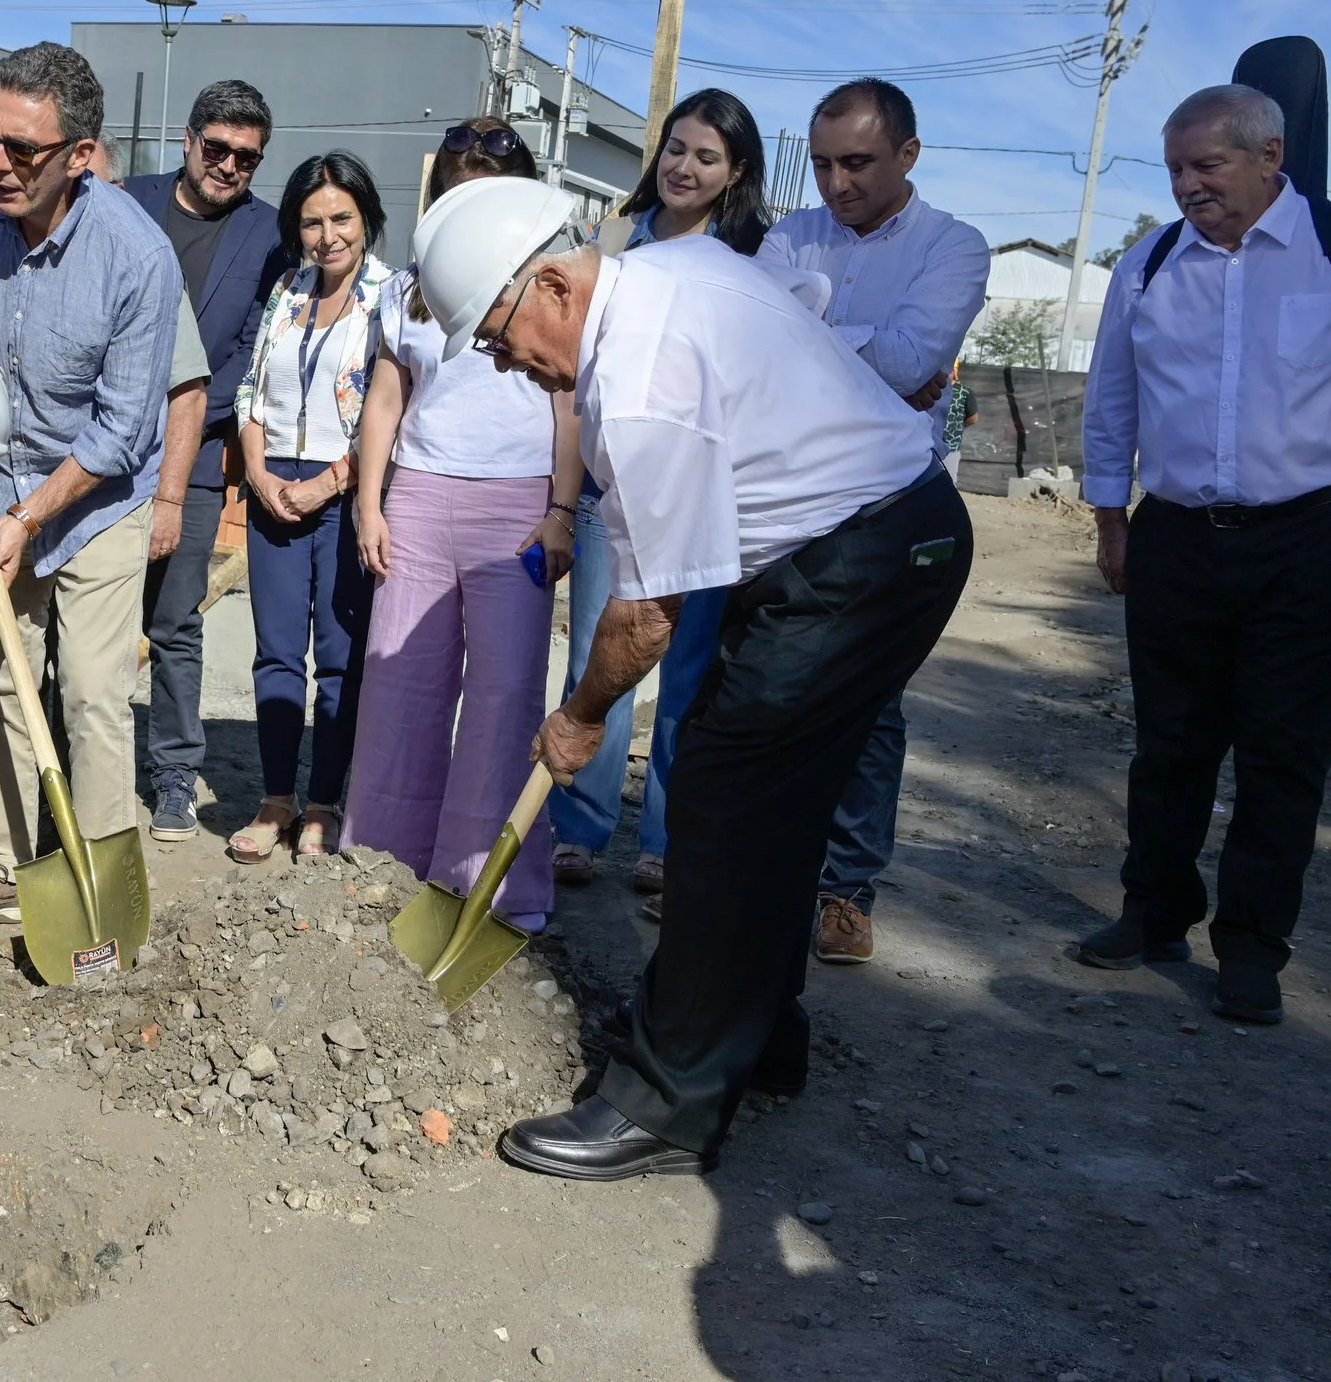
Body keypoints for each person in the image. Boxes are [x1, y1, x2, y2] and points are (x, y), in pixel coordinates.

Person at [406, 178, 969, 1183]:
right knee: (762, 802)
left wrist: (577, 721)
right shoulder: (669, 270)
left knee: (722, 800)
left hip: (863, 559)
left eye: (500, 338)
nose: (508, 364)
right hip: (867, 540)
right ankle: (751, 1035)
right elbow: (793, 312)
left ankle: (664, 1103)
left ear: (549, 283)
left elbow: (645, 613)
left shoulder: (636, 380)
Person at [1080, 84, 1331, 1025]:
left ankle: (1251, 949)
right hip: (1176, 535)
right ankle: (1153, 909)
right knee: (1170, 741)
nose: (1188, 186)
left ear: (1269, 156)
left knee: (1284, 750)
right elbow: (1110, 399)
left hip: (1316, 537)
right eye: (1174, 169)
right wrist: (1110, 520)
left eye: (1206, 165)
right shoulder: (1149, 264)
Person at [0, 41, 176, 932]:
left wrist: (30, 515)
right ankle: (7, 863)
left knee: (90, 694)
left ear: (81, 155)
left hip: (94, 503)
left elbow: (121, 434)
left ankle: (99, 887)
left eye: (26, 150)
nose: (0, 164)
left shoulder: (136, 258)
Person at [754, 77, 989, 966]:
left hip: (889, 505)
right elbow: (762, 353)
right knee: (767, 686)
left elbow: (911, 361)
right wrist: (869, 350)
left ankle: (844, 890)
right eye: (821, 163)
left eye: (856, 161)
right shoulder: (788, 235)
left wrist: (822, 338)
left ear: (908, 156)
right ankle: (768, 873)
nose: (835, 182)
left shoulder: (954, 247)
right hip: (786, 494)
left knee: (871, 704)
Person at [343, 124, 577, 920]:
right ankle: (378, 867)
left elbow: (569, 398)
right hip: (420, 494)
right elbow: (387, 393)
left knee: (504, 700)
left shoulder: (551, 288)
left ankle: (492, 887)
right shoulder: (406, 285)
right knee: (398, 687)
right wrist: (370, 499)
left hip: (518, 503)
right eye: (458, 183)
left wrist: (561, 509)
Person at [574, 89, 775, 909]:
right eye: (676, 148)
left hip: (703, 496)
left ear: (735, 174)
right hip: (610, 485)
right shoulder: (613, 240)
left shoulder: (753, 256)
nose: (684, 167)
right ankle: (580, 825)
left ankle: (663, 838)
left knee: (687, 674)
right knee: (600, 654)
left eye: (706, 156)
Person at [124, 81, 287, 842]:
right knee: (71, 613)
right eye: (217, 148)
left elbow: (253, 346)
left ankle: (172, 778)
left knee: (175, 620)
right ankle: (54, 755)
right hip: (101, 440)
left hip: (197, 452)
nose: (228, 166)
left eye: (246, 158)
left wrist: (189, 411)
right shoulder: (128, 201)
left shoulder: (266, 233)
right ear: (189, 139)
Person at [226, 152, 386, 862]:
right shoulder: (287, 290)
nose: (327, 236)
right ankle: (275, 798)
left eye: (341, 218)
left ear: (366, 217)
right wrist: (259, 474)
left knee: (342, 658)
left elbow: (394, 410)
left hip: (347, 491)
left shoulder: (395, 296)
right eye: (312, 222)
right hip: (274, 488)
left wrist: (328, 485)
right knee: (277, 654)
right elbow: (251, 390)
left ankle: (324, 800)